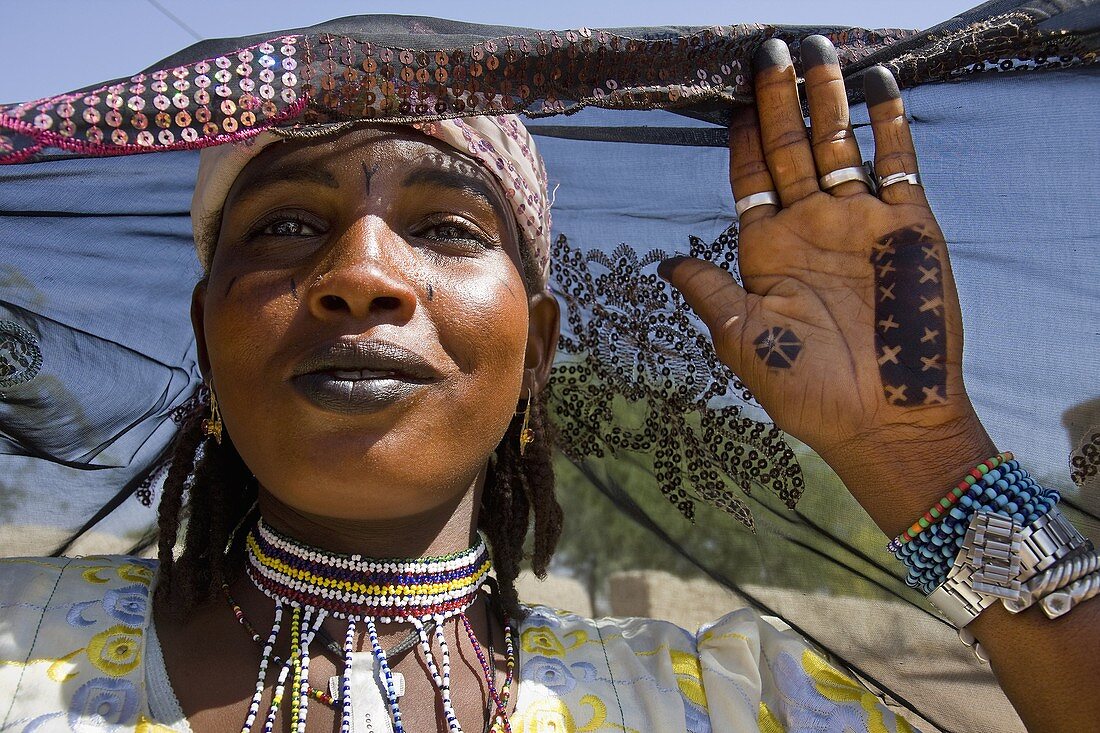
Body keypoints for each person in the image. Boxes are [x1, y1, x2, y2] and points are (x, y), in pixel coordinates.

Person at [0, 33, 1096, 733]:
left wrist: (920, 454)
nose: (361, 275)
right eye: (288, 226)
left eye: (443, 227)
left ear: (538, 349)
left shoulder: (718, 704)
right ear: (207, 328)